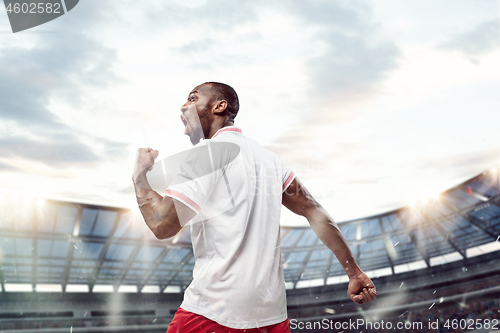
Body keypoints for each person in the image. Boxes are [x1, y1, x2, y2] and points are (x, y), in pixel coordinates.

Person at [132, 82, 377, 333]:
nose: (184, 106)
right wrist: (354, 271)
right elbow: (313, 211)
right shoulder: (269, 160)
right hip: (271, 319)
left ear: (219, 106)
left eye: (192, 98)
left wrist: (140, 175)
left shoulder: (206, 154)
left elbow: (162, 225)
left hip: (213, 313)